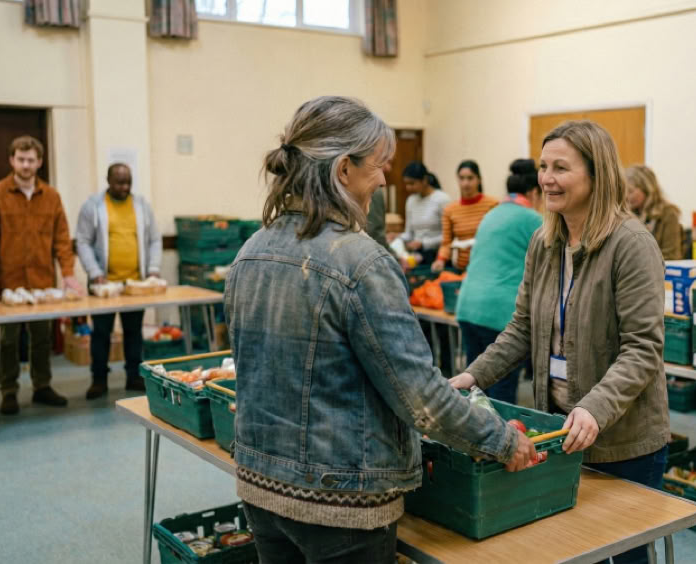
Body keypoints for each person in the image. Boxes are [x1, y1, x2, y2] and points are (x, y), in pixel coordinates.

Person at [224, 96, 534, 563]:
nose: (385, 180)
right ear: (343, 170)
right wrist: (502, 440)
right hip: (339, 503)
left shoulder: (250, 251)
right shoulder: (361, 262)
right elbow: (420, 398)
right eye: (378, 166)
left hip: (260, 486)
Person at [450, 121, 670, 564]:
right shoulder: (544, 242)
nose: (546, 179)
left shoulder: (631, 244)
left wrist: (594, 408)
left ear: (596, 173)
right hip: (559, 432)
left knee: (626, 555)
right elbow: (522, 328)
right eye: (543, 167)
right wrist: (472, 377)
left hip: (622, 441)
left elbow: (643, 347)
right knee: (572, 550)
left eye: (561, 168)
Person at [0, 135, 83, 415]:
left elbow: (62, 240)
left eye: (30, 160)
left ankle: (42, 386)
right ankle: (8, 391)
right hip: (8, 284)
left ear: (39, 162)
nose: (25, 165)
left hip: (42, 283)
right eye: (21, 159)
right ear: (12, 160)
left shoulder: (52, 197)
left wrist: (68, 274)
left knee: (42, 337)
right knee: (8, 339)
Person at [456, 159, 543, 404]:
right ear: (534, 192)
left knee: (475, 391)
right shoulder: (533, 219)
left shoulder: (491, 213)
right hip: (499, 312)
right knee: (500, 398)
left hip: (469, 307)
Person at [75, 163, 163, 399]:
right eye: (119, 183)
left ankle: (134, 376)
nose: (124, 187)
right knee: (101, 333)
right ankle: (99, 379)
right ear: (108, 181)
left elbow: (155, 239)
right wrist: (94, 272)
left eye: (128, 182)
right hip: (103, 286)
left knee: (134, 332)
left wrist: (153, 270)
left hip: (135, 285)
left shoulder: (141, 206)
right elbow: (82, 241)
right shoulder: (93, 206)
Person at [432, 160, 497, 272]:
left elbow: (497, 239)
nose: (465, 183)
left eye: (470, 178)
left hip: (487, 267)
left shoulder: (492, 204)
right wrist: (440, 260)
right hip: (461, 268)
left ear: (479, 180)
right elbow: (446, 243)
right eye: (461, 178)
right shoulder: (450, 210)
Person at [398, 161, 451, 266]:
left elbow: (448, 236)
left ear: (425, 180)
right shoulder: (411, 201)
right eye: (406, 184)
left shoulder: (442, 199)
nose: (408, 188)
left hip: (436, 254)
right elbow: (409, 233)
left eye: (412, 183)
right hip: (416, 254)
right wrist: (397, 237)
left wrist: (423, 244)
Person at [625, 164, 682, 260]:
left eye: (630, 191)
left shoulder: (668, 214)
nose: (626, 196)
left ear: (647, 189)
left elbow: (671, 256)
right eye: (624, 191)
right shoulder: (627, 215)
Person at [365, 159, 395, 257]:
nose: (389, 168)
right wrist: (395, 257)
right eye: (386, 161)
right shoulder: (374, 190)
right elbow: (375, 233)